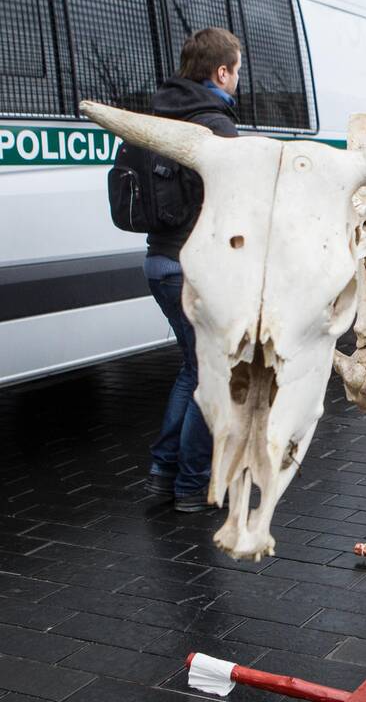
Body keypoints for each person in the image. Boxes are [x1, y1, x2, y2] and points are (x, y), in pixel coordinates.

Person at [143, 28, 241, 512]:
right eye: (236, 69)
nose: (238, 79)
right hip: (196, 270)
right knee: (214, 373)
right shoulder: (216, 126)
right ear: (221, 71)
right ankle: (192, 486)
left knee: (193, 368)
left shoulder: (159, 113)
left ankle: (163, 474)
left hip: (158, 261)